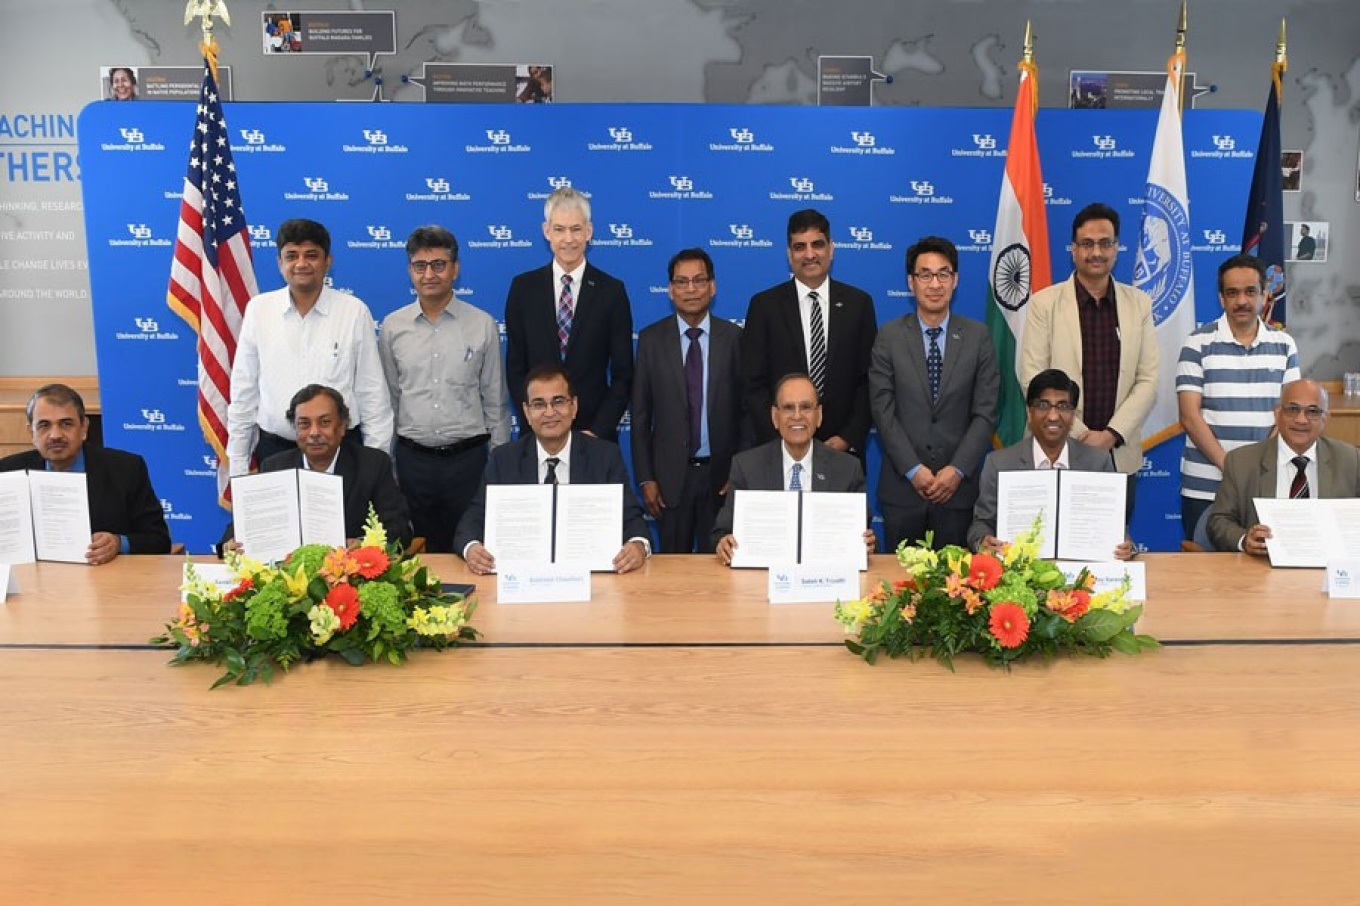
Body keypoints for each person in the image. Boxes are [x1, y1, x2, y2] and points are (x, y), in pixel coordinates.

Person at [379, 226, 511, 553]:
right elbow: (390, 402)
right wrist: (389, 465)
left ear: (455, 269)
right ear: (410, 270)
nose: (429, 274)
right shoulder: (393, 327)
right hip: (413, 462)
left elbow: (495, 402)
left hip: (468, 461)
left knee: (473, 550)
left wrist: (498, 465)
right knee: (417, 556)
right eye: (419, 265)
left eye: (439, 264)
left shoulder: (482, 324)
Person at [227, 218, 393, 478]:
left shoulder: (353, 311)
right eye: (291, 255)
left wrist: (376, 464)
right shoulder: (259, 310)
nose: (301, 264)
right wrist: (237, 463)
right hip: (276, 451)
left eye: (311, 255)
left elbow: (372, 395)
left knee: (344, 520)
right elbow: (244, 392)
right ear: (279, 262)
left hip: (341, 452)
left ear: (328, 261)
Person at [1020, 202, 1159, 504]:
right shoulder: (1044, 304)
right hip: (1056, 448)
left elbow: (1148, 379)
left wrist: (1110, 434)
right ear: (1072, 249)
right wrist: (1082, 435)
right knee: (1047, 546)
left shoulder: (1139, 304)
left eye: (1105, 243)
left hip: (1118, 453)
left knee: (1111, 546)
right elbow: (1033, 378)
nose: (1096, 252)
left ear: (1117, 247)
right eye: (1087, 244)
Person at [454, 365, 650, 575]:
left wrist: (638, 545)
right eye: (539, 404)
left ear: (574, 406)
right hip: (522, 578)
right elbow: (474, 517)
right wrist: (472, 548)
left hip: (590, 579)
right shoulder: (504, 459)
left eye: (558, 401)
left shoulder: (605, 456)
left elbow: (631, 517)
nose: (549, 412)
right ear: (527, 413)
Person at [870, 236, 998, 550]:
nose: (934, 283)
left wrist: (956, 471)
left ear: (955, 280)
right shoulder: (889, 337)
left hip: (959, 492)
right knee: (899, 590)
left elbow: (986, 412)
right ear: (910, 282)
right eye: (925, 274)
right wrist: (915, 470)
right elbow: (882, 412)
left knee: (957, 592)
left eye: (943, 274)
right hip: (903, 490)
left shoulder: (978, 337)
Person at [631, 248, 748, 553]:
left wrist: (739, 473)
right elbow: (641, 417)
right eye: (682, 282)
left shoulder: (735, 339)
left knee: (721, 569)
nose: (691, 289)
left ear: (713, 286)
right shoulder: (650, 340)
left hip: (721, 477)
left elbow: (746, 413)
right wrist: (646, 479)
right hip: (669, 481)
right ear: (670, 290)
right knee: (671, 572)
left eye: (699, 280)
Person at [1176, 254, 1300, 539]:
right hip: (1205, 486)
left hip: (1266, 483)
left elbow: (1290, 415)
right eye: (1232, 293)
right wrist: (1234, 470)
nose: (1241, 301)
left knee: (1263, 576)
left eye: (1250, 292)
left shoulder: (1284, 345)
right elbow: (1190, 417)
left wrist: (1253, 473)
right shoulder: (1197, 343)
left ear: (1265, 295)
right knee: (1204, 578)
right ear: (1221, 298)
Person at [741, 208, 878, 458]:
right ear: (788, 253)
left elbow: (868, 381)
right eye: (799, 246)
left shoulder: (859, 305)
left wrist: (848, 437)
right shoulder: (764, 306)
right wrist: (784, 439)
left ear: (831, 248)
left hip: (841, 454)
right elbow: (753, 385)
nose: (810, 254)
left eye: (817, 244)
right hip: (779, 451)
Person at [504, 186, 634, 441]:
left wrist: (596, 431)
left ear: (589, 231)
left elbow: (624, 375)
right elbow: (515, 369)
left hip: (595, 437)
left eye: (576, 229)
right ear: (546, 231)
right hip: (537, 436)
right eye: (559, 229)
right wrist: (538, 422)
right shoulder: (523, 289)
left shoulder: (612, 291)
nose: (568, 239)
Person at [220, 385, 412, 551]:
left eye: (324, 422)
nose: (314, 433)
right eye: (304, 424)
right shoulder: (275, 467)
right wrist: (229, 545)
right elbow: (240, 527)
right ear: (295, 429)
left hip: (353, 578)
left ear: (342, 427)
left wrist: (365, 545)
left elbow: (400, 529)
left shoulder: (372, 464)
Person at [969, 369, 1134, 560]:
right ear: (1029, 413)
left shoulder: (1098, 462)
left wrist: (1126, 545)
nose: (1053, 416)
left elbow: (1114, 528)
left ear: (1073, 416)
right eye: (1043, 405)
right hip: (1021, 574)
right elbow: (981, 523)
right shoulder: (999, 463)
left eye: (1063, 406)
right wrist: (982, 540)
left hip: (1082, 575)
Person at [713, 374, 876, 565]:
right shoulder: (747, 466)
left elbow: (864, 537)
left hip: (825, 580)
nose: (797, 416)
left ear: (819, 415)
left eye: (806, 407)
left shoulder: (847, 469)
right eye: (788, 408)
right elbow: (721, 532)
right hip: (762, 581)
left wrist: (868, 544)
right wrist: (722, 543)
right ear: (775, 416)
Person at [0, 384, 170, 563]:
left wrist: (119, 543)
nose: (55, 435)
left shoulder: (126, 469)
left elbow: (159, 541)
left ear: (83, 428)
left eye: (66, 424)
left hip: (106, 582)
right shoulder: (8, 472)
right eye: (44, 425)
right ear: (31, 432)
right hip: (33, 583)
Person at [1207, 380, 1360, 555]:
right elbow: (1218, 521)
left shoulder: (1351, 460)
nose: (1301, 419)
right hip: (1261, 570)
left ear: (1325, 419)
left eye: (1312, 411)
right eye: (1292, 409)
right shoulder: (1241, 462)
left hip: (1328, 570)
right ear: (1277, 414)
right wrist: (1244, 540)